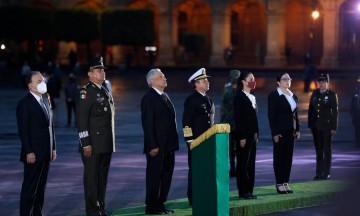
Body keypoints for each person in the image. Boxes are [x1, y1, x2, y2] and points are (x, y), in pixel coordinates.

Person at [76, 56, 115, 216]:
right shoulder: (86, 92)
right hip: (92, 144)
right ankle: (92, 210)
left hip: (105, 143)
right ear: (90, 74)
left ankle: (101, 207)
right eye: (98, 70)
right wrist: (85, 143)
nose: (102, 72)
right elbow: (81, 120)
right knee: (92, 178)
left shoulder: (104, 90)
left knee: (102, 178)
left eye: (103, 70)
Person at [16, 71, 57, 215]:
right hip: (33, 153)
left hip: (46, 152)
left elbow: (50, 126)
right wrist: (29, 151)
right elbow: (24, 130)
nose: (43, 83)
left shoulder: (45, 100)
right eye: (39, 81)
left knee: (41, 188)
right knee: (30, 188)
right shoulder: (24, 104)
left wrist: (53, 148)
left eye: (43, 80)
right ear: (30, 86)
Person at [141, 68, 179, 215]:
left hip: (168, 145)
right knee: (154, 176)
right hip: (157, 146)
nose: (164, 78)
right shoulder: (149, 98)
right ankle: (151, 206)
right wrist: (152, 145)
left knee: (166, 176)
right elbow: (147, 123)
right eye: (161, 76)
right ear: (152, 81)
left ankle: (160, 203)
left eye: (163, 76)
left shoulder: (164, 95)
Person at [182, 68, 214, 206]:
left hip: (208, 141)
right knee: (195, 170)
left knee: (206, 169)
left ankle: (204, 194)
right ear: (196, 84)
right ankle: (193, 197)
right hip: (197, 140)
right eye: (204, 80)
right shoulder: (192, 99)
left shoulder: (208, 99)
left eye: (207, 80)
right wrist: (189, 140)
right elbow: (186, 122)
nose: (207, 82)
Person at [268, 72, 300, 194]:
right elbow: (271, 116)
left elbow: (295, 115)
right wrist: (275, 133)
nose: (288, 81)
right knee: (279, 158)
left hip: (291, 132)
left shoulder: (293, 96)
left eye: (289, 78)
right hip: (280, 132)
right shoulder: (274, 95)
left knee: (288, 158)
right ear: (278, 82)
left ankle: (286, 182)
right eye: (284, 79)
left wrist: (297, 129)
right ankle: (279, 183)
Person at [308, 73, 338, 180]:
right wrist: (310, 125)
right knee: (319, 150)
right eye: (320, 82)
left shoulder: (331, 95)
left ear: (327, 83)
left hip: (327, 126)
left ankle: (326, 172)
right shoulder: (315, 94)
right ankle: (319, 172)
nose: (321, 84)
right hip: (316, 126)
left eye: (324, 82)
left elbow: (335, 112)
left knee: (327, 150)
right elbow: (311, 109)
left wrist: (334, 127)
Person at [233, 71, 258, 199]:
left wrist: (256, 134)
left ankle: (250, 189)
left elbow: (254, 118)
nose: (253, 81)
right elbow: (239, 118)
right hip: (244, 135)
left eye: (253, 78)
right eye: (250, 78)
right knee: (243, 164)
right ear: (243, 81)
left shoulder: (252, 97)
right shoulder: (239, 96)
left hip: (252, 136)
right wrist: (242, 136)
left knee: (251, 164)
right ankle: (243, 191)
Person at [220, 69, 240, 177]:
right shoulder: (238, 90)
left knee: (232, 147)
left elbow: (223, 106)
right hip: (233, 122)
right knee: (233, 147)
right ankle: (234, 168)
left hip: (231, 122)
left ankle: (234, 168)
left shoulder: (227, 89)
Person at [351, 76, 360, 146]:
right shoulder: (356, 91)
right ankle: (357, 141)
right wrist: (352, 111)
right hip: (357, 112)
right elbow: (353, 102)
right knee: (357, 126)